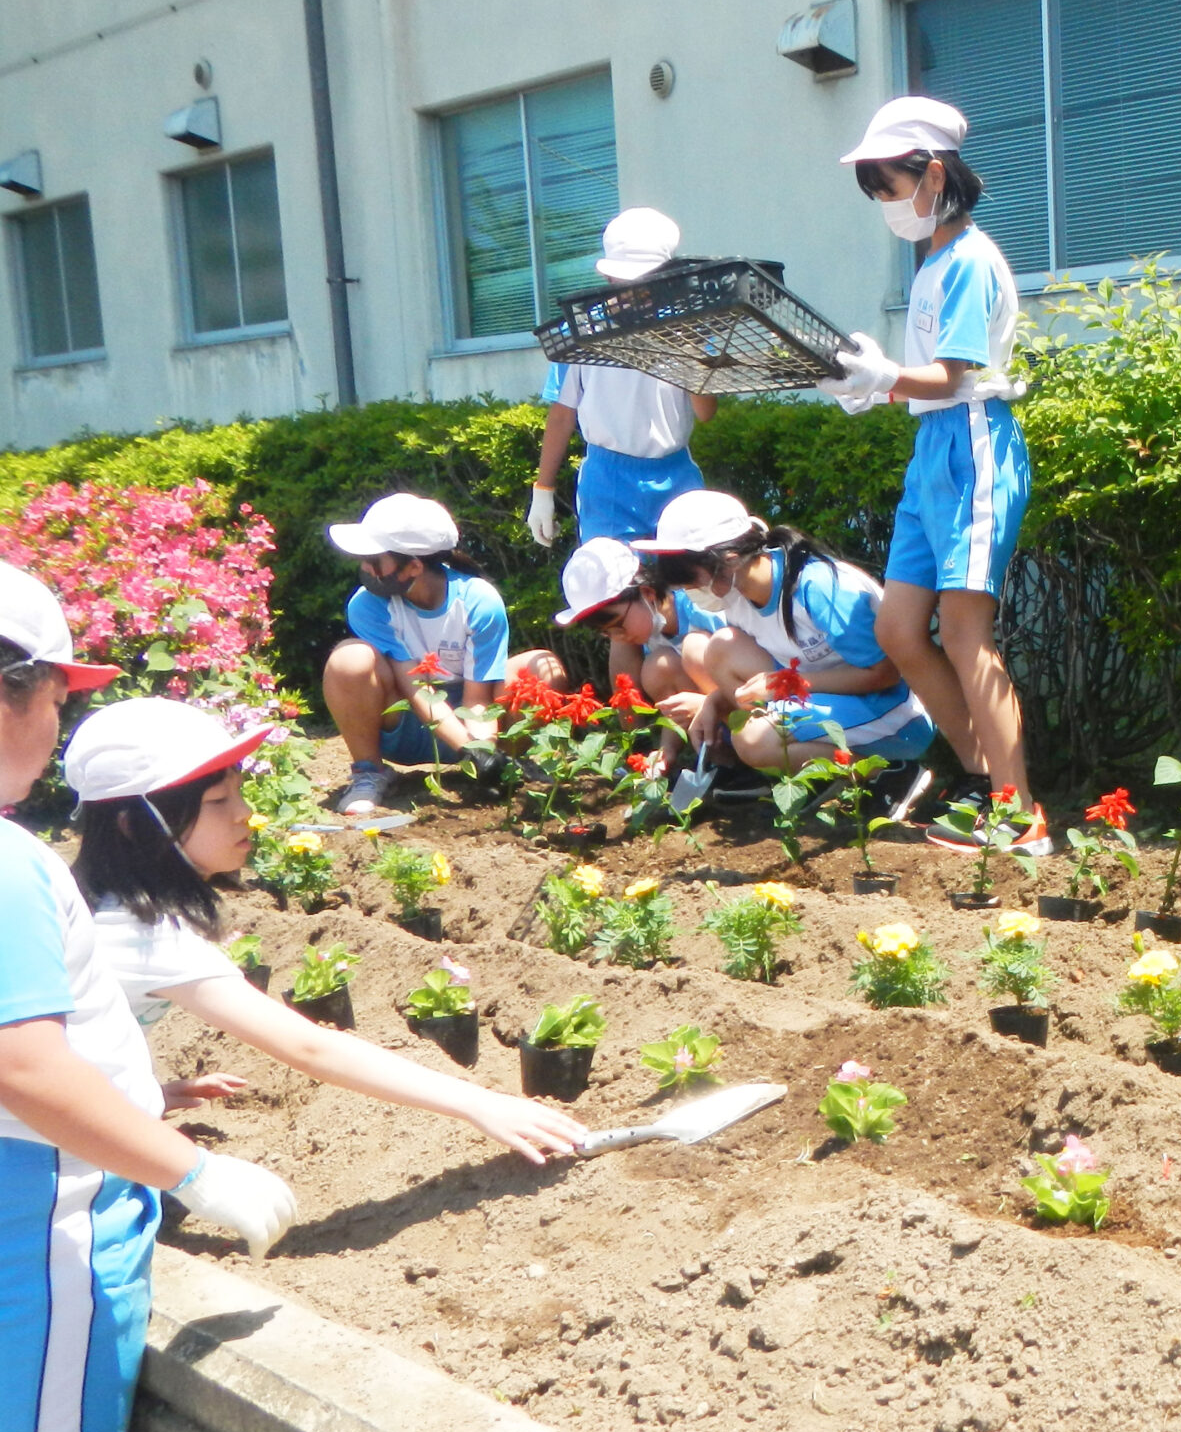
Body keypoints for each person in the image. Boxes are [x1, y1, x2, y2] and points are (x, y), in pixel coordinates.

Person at [0, 569, 296, 1432]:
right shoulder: (6, 864)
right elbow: (23, 1066)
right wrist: (194, 1170)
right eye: (54, 694)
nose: (55, 723)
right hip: (39, 1217)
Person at [62, 699, 592, 1165]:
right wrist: (480, 1103)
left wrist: (136, 1094)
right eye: (219, 803)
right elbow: (310, 1049)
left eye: (239, 793)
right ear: (137, 826)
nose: (247, 814)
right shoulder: (142, 934)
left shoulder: (90, 902)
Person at [823, 95, 1042, 854]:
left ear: (935, 173)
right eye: (876, 189)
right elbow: (925, 383)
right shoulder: (935, 261)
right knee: (898, 628)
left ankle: (1021, 814)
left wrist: (881, 378)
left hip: (974, 443)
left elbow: (952, 376)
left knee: (964, 634)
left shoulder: (973, 260)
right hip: (934, 450)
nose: (884, 202)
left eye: (887, 184)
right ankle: (985, 784)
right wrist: (872, 384)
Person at [633, 490, 937, 796]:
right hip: (837, 701)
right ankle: (813, 772)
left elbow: (886, 674)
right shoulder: (736, 598)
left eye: (692, 583)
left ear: (729, 561)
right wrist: (712, 702)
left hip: (897, 711)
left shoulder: (817, 587)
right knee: (720, 649)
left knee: (753, 739)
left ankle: (889, 774)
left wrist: (785, 685)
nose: (689, 594)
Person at [321, 493, 566, 814]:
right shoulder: (366, 605)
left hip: (472, 720)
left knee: (542, 669)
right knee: (348, 660)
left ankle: (509, 765)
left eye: (375, 560)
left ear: (413, 567)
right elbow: (415, 686)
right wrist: (468, 749)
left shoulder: (479, 600)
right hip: (408, 719)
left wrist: (482, 751)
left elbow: (478, 697)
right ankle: (369, 772)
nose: (365, 567)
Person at [527, 208, 716, 548]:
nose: (632, 291)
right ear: (609, 277)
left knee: (688, 585)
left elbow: (705, 412)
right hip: (608, 476)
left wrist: (694, 351)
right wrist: (543, 490)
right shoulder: (581, 329)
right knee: (617, 589)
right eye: (623, 282)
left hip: (676, 472)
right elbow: (562, 414)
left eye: (643, 283)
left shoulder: (687, 325)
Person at [552, 536, 727, 768]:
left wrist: (708, 704)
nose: (618, 638)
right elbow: (675, 703)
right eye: (607, 633)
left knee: (694, 649)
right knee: (658, 667)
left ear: (647, 593)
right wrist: (667, 751)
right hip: (718, 720)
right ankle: (723, 763)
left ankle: (747, 753)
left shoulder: (702, 609)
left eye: (618, 626)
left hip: (748, 710)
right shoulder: (654, 633)